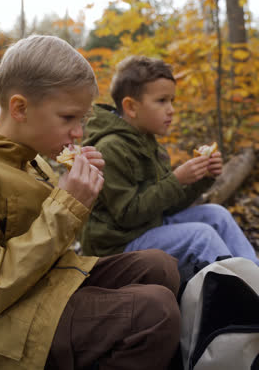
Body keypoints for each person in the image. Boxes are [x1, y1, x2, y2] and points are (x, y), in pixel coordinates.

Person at [0, 36, 181, 370]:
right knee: (156, 311)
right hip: (10, 324)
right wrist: (67, 204)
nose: (79, 133)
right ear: (20, 108)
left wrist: (83, 196)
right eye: (68, 118)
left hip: (45, 286)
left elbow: (54, 241)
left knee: (159, 264)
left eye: (82, 119)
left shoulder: (34, 163)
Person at [81, 55, 259, 269]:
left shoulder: (148, 141)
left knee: (217, 215)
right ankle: (236, 292)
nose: (171, 109)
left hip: (148, 227)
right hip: (117, 247)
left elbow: (166, 206)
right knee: (200, 236)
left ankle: (253, 277)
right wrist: (177, 179)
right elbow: (128, 215)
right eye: (162, 100)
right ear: (131, 107)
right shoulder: (110, 148)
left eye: (172, 101)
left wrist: (201, 178)